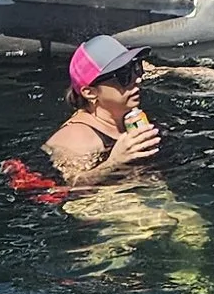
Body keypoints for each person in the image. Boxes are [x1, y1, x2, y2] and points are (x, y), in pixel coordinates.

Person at [38, 35, 165, 183]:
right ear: (90, 92)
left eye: (135, 68)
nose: (137, 79)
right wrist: (114, 163)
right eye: (123, 75)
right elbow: (70, 186)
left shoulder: (129, 118)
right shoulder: (77, 138)